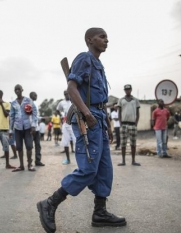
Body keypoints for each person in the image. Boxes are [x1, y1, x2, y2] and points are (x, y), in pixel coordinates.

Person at [37, 28, 126, 233]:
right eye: (102, 36)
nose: (106, 40)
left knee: (105, 169)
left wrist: (107, 125)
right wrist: (87, 115)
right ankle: (50, 203)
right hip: (89, 119)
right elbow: (72, 88)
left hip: (99, 119)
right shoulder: (84, 58)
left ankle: (100, 212)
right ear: (89, 39)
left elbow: (100, 100)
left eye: (106, 36)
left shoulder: (98, 64)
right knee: (88, 168)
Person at [9, 84, 38, 172]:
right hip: (17, 128)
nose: (17, 91)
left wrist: (33, 125)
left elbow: (34, 113)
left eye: (18, 89)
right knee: (19, 147)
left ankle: (30, 165)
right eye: (15, 89)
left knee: (29, 146)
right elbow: (11, 117)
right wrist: (10, 130)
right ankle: (21, 165)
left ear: (22, 90)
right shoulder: (13, 103)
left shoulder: (28, 100)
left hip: (28, 127)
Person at [117, 84, 141, 166]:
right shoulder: (121, 100)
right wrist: (120, 123)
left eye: (129, 89)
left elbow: (138, 113)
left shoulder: (135, 100)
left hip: (133, 124)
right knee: (123, 143)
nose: (127, 91)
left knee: (133, 143)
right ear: (124, 90)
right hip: (123, 124)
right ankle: (123, 161)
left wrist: (136, 123)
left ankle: (133, 160)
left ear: (131, 90)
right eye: (126, 89)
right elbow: (119, 112)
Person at [56, 90, 76, 165]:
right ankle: (68, 159)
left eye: (67, 94)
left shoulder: (74, 100)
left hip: (74, 123)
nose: (66, 95)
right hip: (65, 123)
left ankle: (80, 160)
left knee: (76, 141)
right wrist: (61, 116)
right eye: (65, 94)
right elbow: (57, 109)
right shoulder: (62, 102)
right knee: (65, 141)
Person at [30, 91, 45, 166]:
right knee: (30, 146)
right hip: (32, 128)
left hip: (37, 129)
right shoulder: (29, 104)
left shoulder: (35, 104)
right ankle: (30, 161)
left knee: (38, 145)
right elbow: (31, 117)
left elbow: (35, 116)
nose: (36, 96)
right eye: (35, 95)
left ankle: (37, 160)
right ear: (31, 96)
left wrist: (41, 118)